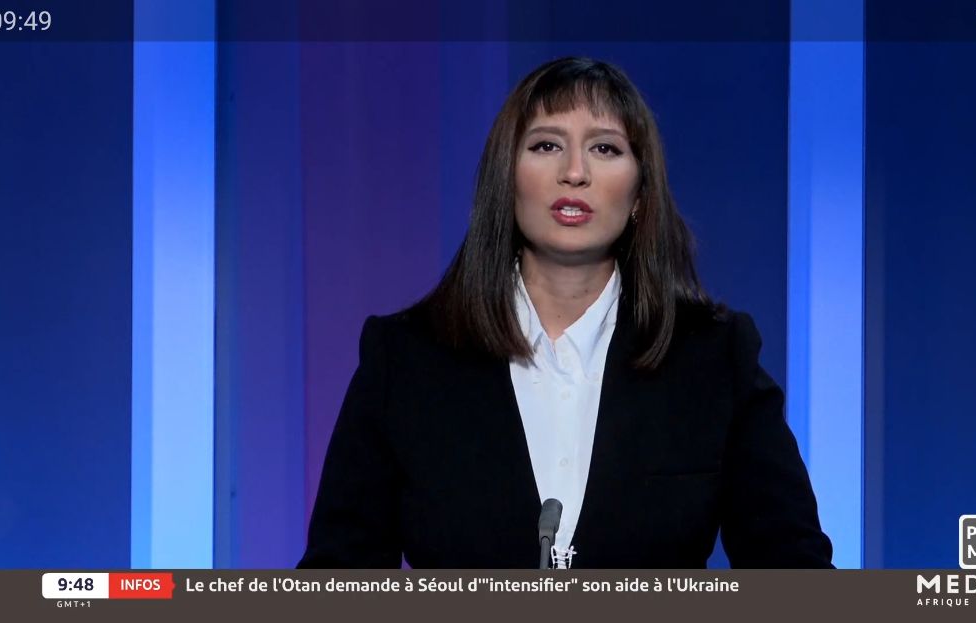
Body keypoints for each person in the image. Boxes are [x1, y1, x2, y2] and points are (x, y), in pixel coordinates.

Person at [297, 57, 833, 569]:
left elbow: (795, 574)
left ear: (640, 193)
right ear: (506, 178)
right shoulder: (407, 359)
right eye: (547, 145)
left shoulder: (714, 357)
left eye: (604, 148)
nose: (574, 172)